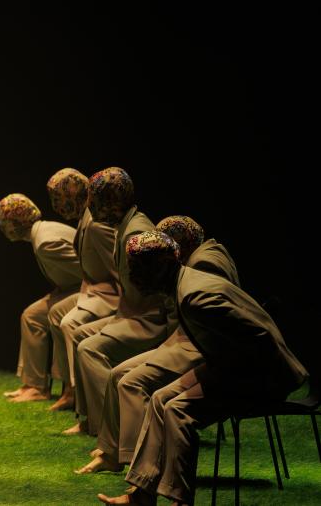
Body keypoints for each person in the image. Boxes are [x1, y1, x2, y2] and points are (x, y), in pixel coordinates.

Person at [96, 231, 307, 505]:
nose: (133, 276)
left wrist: (220, 378)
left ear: (162, 265)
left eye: (139, 267)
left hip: (264, 377)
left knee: (178, 410)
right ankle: (141, 494)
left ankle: (180, 500)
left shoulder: (195, 297)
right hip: (233, 368)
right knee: (160, 398)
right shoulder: (186, 284)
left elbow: (259, 340)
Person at [77, 216, 239, 474]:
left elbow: (215, 327)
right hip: (184, 339)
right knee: (117, 374)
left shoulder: (204, 264)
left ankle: (137, 460)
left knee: (131, 382)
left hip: (196, 346)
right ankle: (112, 452)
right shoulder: (201, 255)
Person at [67, 167, 166, 436]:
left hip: (149, 320)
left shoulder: (136, 234)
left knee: (89, 348)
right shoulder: (123, 226)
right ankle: (89, 420)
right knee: (79, 335)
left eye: (94, 199)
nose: (89, 206)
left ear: (109, 201)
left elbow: (158, 290)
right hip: (132, 313)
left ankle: (112, 426)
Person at [45, 168, 121, 412]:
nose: (57, 205)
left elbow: (118, 268)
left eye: (60, 198)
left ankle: (82, 399)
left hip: (108, 294)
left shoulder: (96, 223)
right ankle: (69, 388)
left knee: (70, 323)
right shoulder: (85, 218)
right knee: (56, 312)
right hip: (91, 289)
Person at [0, 193, 82, 402]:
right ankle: (34, 385)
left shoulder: (46, 242)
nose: (3, 226)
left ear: (16, 221)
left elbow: (89, 271)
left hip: (93, 290)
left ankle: (67, 388)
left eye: (5, 220)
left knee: (54, 313)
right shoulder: (42, 234)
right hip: (74, 288)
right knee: (32, 315)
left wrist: (65, 294)